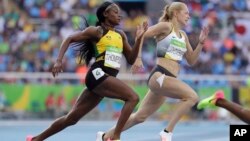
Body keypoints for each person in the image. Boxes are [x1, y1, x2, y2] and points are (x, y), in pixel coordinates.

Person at [26, 1, 148, 141]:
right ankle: (115, 136)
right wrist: (59, 60)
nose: (119, 15)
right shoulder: (97, 31)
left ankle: (36, 139)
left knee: (71, 119)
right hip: (98, 75)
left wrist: (138, 40)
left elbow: (131, 59)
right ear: (105, 14)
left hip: (104, 80)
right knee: (133, 97)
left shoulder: (121, 36)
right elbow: (69, 38)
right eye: (115, 12)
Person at [98, 2, 209, 141]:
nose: (189, 15)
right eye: (186, 12)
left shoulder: (183, 35)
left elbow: (191, 60)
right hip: (160, 75)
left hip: (167, 80)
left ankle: (104, 136)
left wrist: (200, 44)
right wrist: (138, 58)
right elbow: (142, 35)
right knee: (192, 96)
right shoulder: (166, 26)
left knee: (140, 117)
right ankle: (167, 132)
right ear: (175, 13)